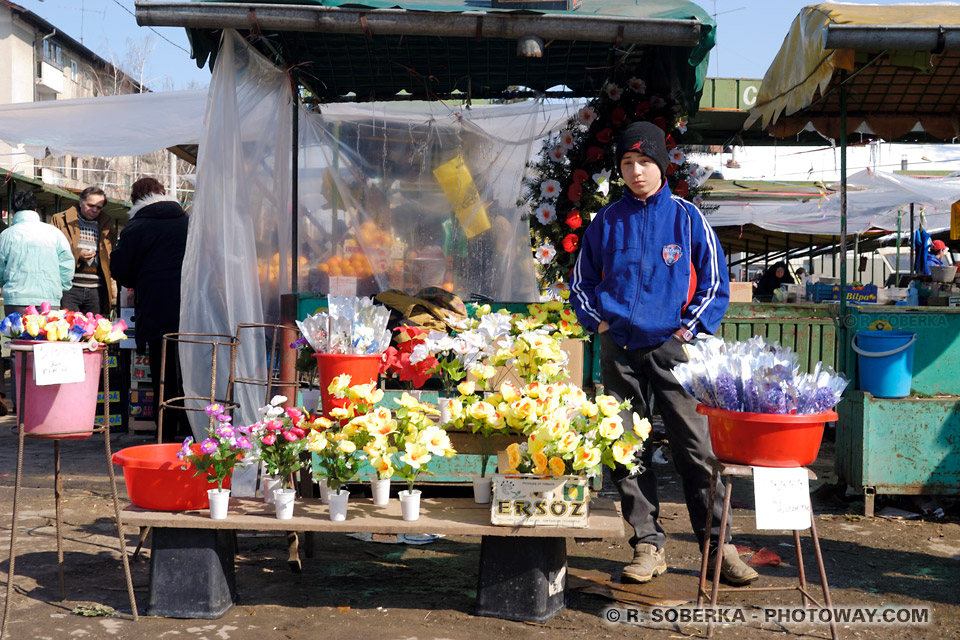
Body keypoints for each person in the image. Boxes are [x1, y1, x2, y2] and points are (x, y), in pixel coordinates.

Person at [570, 122, 757, 586]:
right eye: (627, 164)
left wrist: (687, 331)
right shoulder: (606, 221)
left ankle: (719, 547)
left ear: (662, 165)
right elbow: (581, 283)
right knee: (627, 448)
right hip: (619, 350)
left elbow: (715, 283)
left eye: (645, 162)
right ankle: (648, 545)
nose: (636, 172)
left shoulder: (689, 218)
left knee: (696, 448)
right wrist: (599, 322)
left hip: (674, 351)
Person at [110, 178, 190, 442]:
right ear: (164, 193)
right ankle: (192, 428)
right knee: (191, 367)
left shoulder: (136, 226)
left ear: (136, 199)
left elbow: (121, 270)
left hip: (157, 308)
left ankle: (165, 433)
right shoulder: (188, 222)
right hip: (193, 307)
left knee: (164, 371)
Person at [0, 190, 76, 415]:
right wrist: (61, 286)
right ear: (35, 210)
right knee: (48, 348)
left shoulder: (7, 235)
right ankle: (46, 406)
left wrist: (6, 281)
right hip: (48, 299)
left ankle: (21, 407)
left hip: (16, 299)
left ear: (14, 211)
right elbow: (67, 263)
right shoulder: (53, 233)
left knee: (19, 351)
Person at [51, 186, 118, 316]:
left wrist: (114, 292)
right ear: (80, 201)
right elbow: (52, 251)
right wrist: (77, 254)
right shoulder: (60, 220)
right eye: (90, 205)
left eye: (99, 207)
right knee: (68, 333)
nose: (94, 210)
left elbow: (111, 258)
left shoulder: (107, 224)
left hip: (97, 291)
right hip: (68, 288)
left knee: (94, 333)